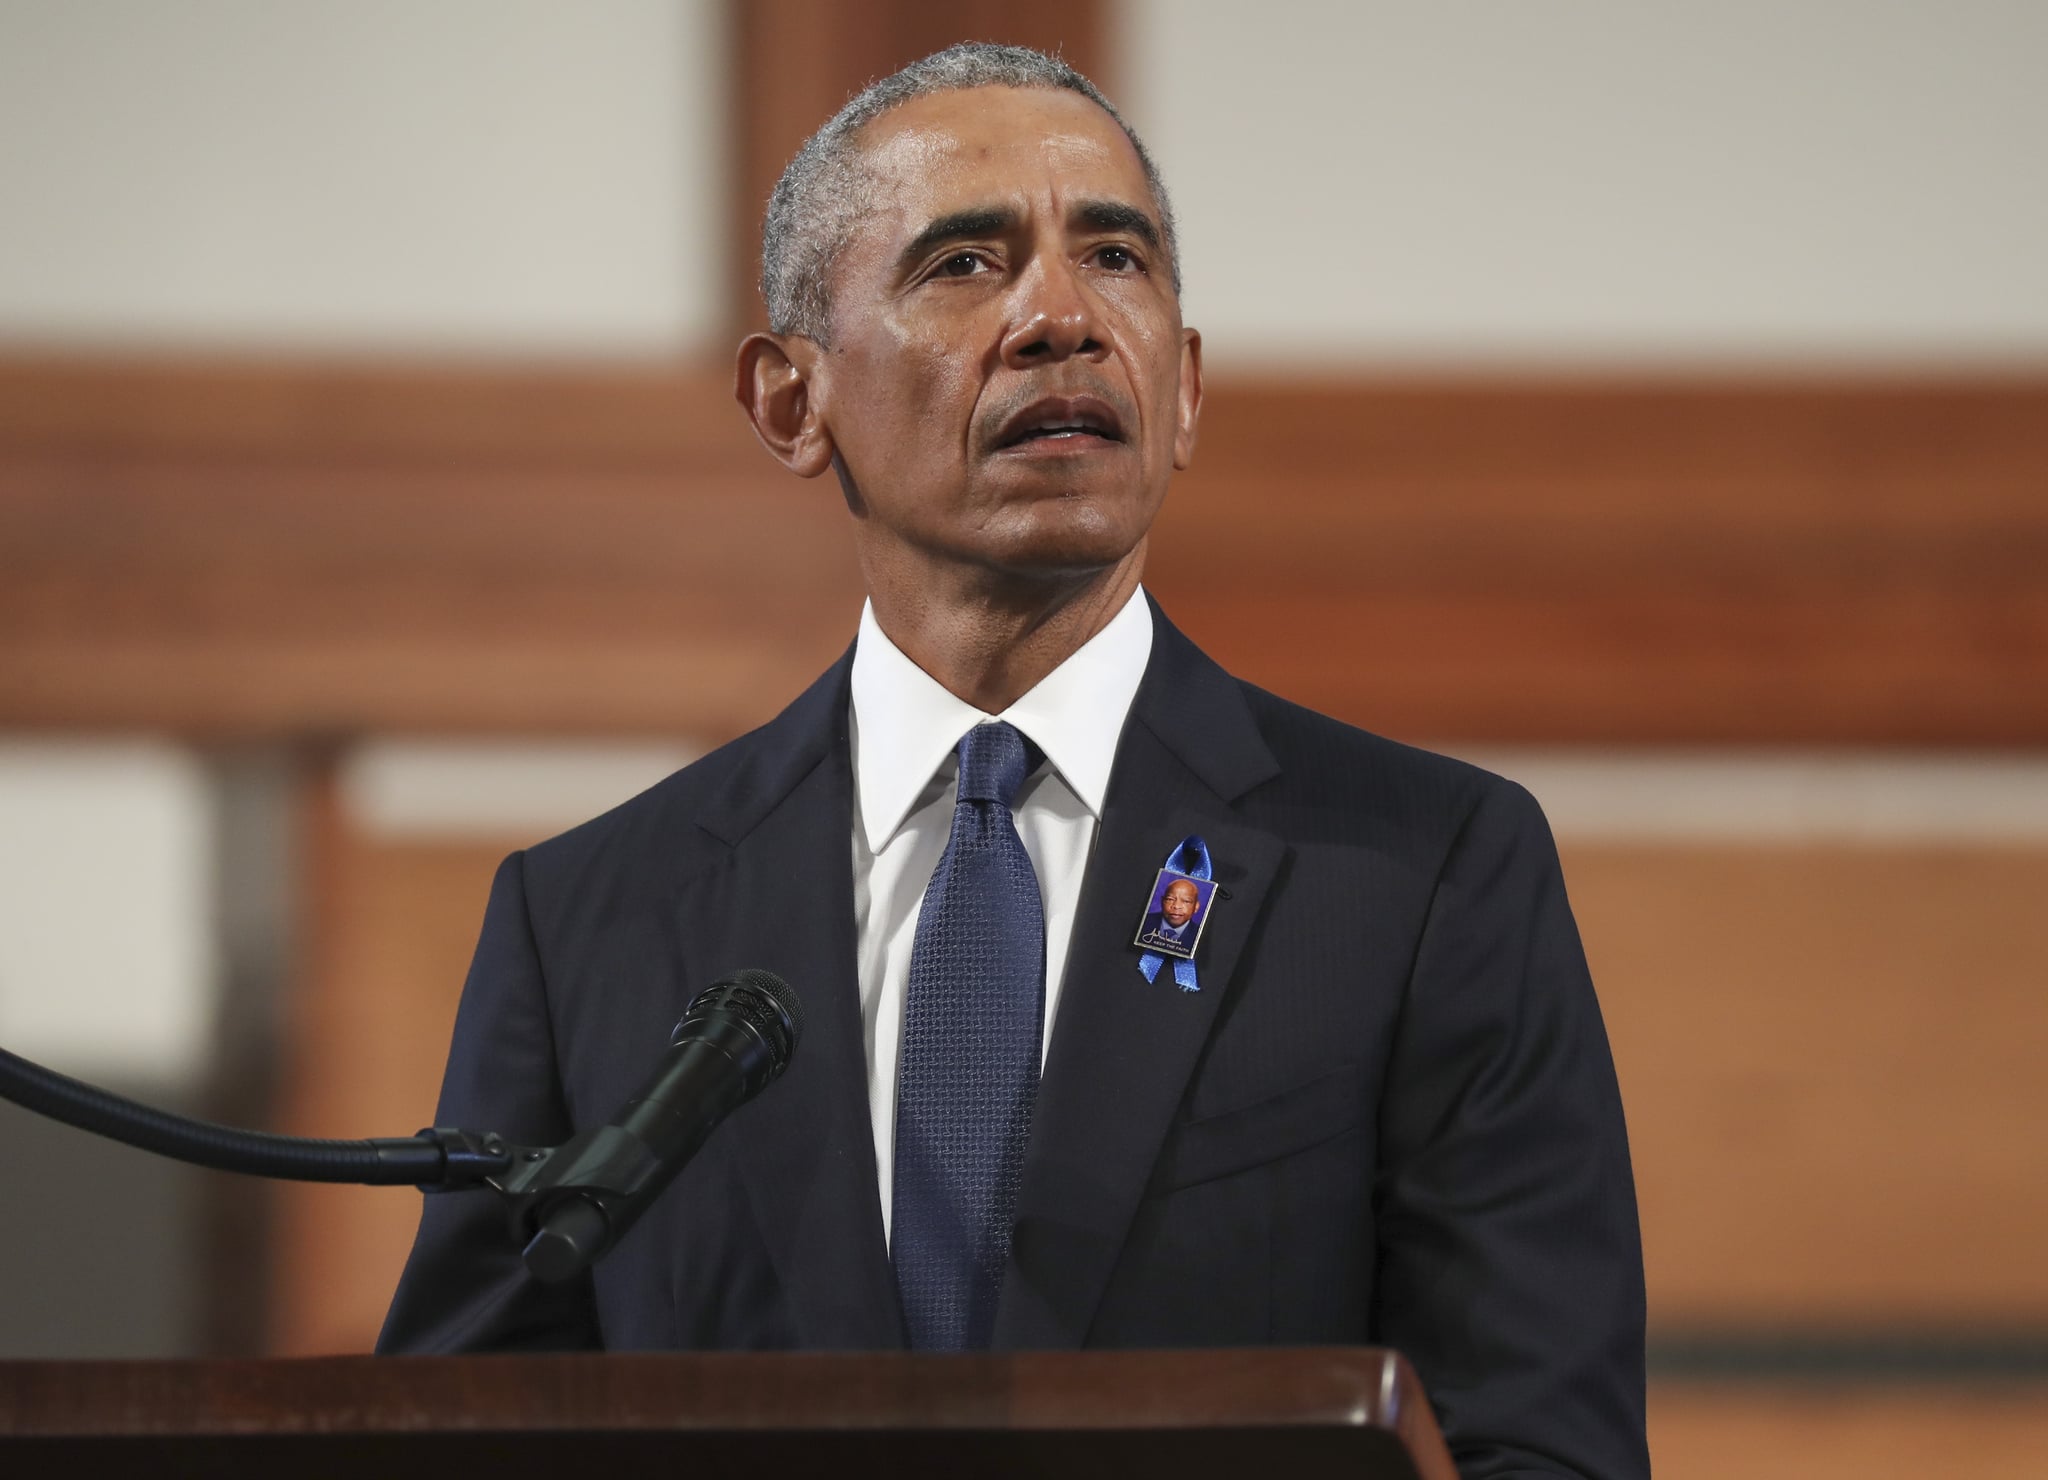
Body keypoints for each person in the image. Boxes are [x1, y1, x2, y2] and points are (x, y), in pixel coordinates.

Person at [381, 43, 1647, 1480]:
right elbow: (456, 1438)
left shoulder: (1423, 877)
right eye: (965, 265)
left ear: (1185, 385)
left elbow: (1543, 1448)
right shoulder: (592, 921)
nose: (1063, 317)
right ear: (792, 403)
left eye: (1116, 256)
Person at [1136, 876, 1204, 952]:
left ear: (1196, 906)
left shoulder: (1201, 936)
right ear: (1162, 901)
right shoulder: (1143, 922)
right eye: (1170, 899)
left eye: (1186, 901)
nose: (1176, 906)